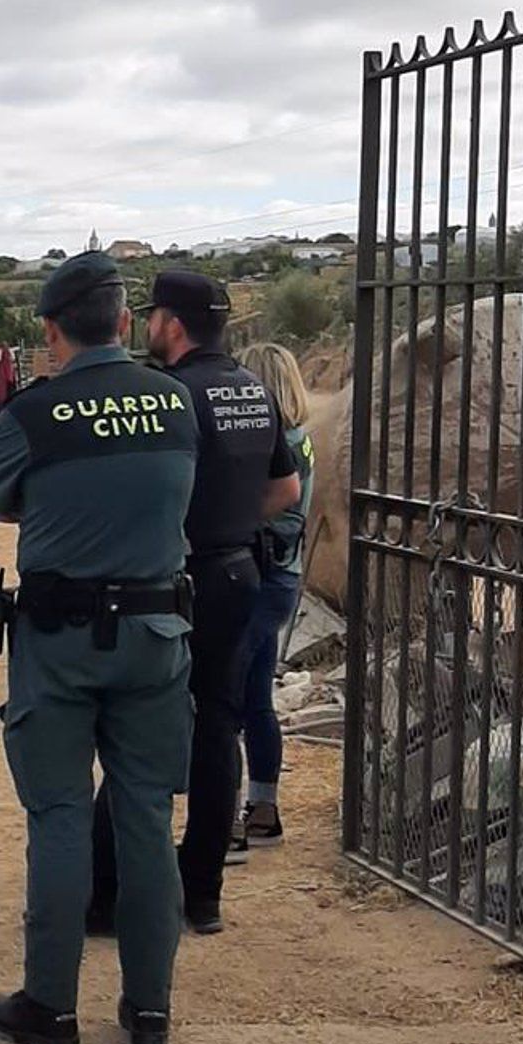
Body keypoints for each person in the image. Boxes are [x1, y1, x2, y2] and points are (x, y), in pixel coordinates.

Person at [0, 252, 198, 1044]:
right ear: (126, 323)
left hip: (60, 642)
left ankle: (51, 1009)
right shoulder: (174, 402)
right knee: (144, 818)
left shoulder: (35, 413)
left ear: (51, 329)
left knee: (60, 816)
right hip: (157, 634)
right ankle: (150, 1010)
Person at [90, 270, 300, 937]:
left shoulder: (169, 393)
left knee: (135, 727)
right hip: (239, 573)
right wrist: (230, 523)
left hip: (172, 580)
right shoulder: (254, 389)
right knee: (218, 728)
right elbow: (287, 490)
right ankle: (201, 895)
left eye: (153, 317)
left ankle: (106, 890)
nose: (148, 326)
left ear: (172, 324)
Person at [231, 343, 316, 852]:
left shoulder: (271, 442)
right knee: (256, 701)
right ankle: (263, 808)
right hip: (284, 574)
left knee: (223, 701)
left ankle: (229, 820)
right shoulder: (300, 438)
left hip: (259, 576)